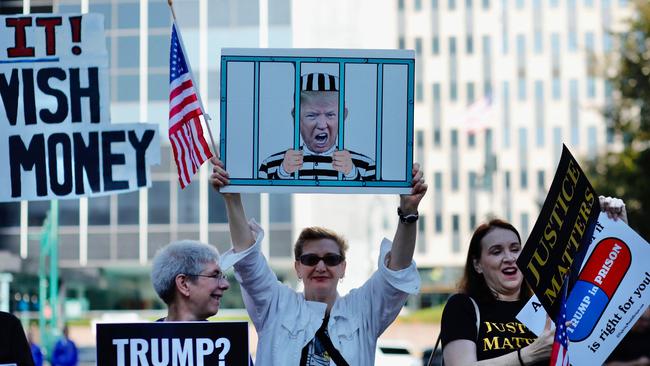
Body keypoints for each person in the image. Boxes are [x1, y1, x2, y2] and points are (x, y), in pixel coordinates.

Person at [211, 156, 426, 365]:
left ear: (343, 268)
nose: (321, 267)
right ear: (297, 267)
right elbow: (249, 262)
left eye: (331, 259)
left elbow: (396, 273)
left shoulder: (362, 310)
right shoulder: (276, 305)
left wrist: (409, 212)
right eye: (310, 259)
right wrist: (232, 199)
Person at [439, 196, 628, 366]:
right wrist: (528, 355)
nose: (509, 257)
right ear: (478, 265)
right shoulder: (463, 306)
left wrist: (617, 226)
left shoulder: (548, 306)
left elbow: (606, 321)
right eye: (496, 251)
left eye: (515, 249)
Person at [258, 72, 376, 181]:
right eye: (312, 115)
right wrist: (283, 172)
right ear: (295, 117)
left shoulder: (366, 167)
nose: (322, 125)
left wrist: (352, 173)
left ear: (343, 116)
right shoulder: (270, 166)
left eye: (330, 115)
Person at [150, 240, 230, 321]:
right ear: (183, 284)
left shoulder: (232, 333)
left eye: (222, 277)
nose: (226, 285)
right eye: (215, 276)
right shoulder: (142, 333)